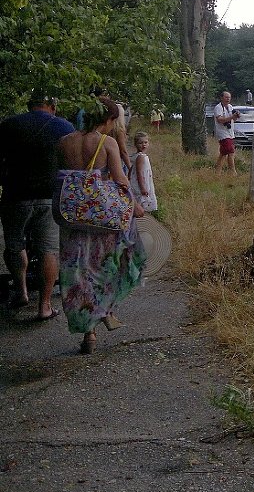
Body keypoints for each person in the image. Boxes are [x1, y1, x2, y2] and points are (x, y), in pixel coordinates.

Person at [57, 98, 146, 353]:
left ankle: (90, 332)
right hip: (102, 218)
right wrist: (135, 205)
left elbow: (62, 176)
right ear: (106, 120)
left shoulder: (63, 142)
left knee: (78, 271)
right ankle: (104, 309)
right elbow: (120, 180)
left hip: (72, 217)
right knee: (104, 268)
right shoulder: (106, 142)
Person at [0, 93, 75, 319]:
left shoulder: (8, 125)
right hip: (49, 197)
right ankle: (44, 306)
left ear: (28, 106)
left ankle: (21, 292)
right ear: (52, 106)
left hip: (15, 196)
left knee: (14, 245)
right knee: (49, 251)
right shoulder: (64, 126)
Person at [212, 91, 240, 174]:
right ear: (221, 98)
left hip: (230, 132)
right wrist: (232, 117)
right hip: (222, 133)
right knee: (230, 151)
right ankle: (233, 172)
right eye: (226, 97)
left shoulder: (230, 107)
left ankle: (217, 171)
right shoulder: (218, 107)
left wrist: (236, 116)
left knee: (223, 153)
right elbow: (220, 120)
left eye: (229, 97)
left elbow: (234, 119)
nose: (228, 99)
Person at [130, 131, 157, 213]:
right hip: (141, 183)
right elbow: (139, 173)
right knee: (142, 200)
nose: (143, 145)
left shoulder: (138, 156)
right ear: (136, 144)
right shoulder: (141, 157)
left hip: (140, 181)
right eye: (140, 143)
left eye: (146, 142)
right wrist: (142, 188)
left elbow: (132, 169)